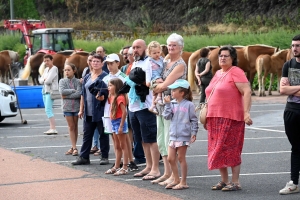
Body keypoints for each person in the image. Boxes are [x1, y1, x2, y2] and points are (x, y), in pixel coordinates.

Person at [205, 45, 252, 191]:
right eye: (220, 55)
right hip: (215, 117)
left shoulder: (236, 72)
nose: (222, 58)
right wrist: (207, 116)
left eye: (226, 56)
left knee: (231, 149)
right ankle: (224, 181)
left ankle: (235, 182)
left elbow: (247, 91)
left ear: (233, 58)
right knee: (218, 150)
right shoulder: (218, 73)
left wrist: (246, 113)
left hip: (231, 117)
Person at [151, 33, 187, 185]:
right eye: (169, 45)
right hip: (161, 105)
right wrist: (155, 86)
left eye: (174, 45)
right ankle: (166, 172)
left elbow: (165, 84)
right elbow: (154, 81)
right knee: (161, 140)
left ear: (180, 47)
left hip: (172, 105)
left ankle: (174, 175)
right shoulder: (164, 61)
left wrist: (155, 86)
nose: (171, 48)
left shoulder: (180, 65)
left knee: (169, 140)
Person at [128, 39, 161, 180]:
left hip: (146, 106)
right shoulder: (134, 63)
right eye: (134, 47)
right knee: (141, 139)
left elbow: (155, 82)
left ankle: (155, 168)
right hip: (133, 107)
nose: (135, 50)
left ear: (145, 48)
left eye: (138, 47)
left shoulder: (150, 62)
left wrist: (142, 82)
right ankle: (148, 166)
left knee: (151, 138)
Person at [71, 54, 110, 165]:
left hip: (100, 109)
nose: (95, 63)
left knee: (103, 134)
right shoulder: (87, 76)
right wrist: (81, 109)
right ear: (90, 63)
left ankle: (104, 156)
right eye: (93, 61)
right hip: (88, 110)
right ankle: (84, 157)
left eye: (98, 61)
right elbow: (83, 94)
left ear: (102, 64)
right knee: (87, 134)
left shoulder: (105, 76)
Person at [102, 53, 138, 171]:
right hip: (110, 113)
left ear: (118, 63)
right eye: (107, 64)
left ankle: (128, 162)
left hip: (119, 113)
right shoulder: (105, 78)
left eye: (111, 63)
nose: (109, 66)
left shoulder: (123, 77)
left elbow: (125, 96)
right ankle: (118, 162)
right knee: (116, 140)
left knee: (125, 139)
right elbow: (105, 95)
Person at [162, 79, 198, 190]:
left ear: (182, 93)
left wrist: (194, 132)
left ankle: (183, 182)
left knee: (181, 158)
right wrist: (167, 105)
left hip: (183, 135)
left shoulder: (189, 105)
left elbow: (194, 120)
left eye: (174, 91)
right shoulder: (171, 104)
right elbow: (166, 116)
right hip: (173, 135)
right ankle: (176, 179)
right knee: (170, 158)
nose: (171, 93)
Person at [279, 34, 300, 195]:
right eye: (293, 45)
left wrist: (291, 87)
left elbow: (288, 88)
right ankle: (294, 183)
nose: (295, 48)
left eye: (298, 45)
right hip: (291, 111)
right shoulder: (288, 64)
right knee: (296, 147)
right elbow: (282, 90)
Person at [105, 78, 129, 175]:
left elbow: (124, 113)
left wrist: (121, 126)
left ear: (117, 86)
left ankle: (125, 167)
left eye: (111, 85)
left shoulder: (120, 97)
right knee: (117, 146)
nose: (109, 87)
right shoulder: (111, 96)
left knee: (123, 146)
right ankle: (116, 165)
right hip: (113, 121)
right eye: (108, 85)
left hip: (119, 122)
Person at [59, 63, 81, 156]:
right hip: (67, 107)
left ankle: (73, 146)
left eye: (68, 70)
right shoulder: (62, 81)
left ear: (74, 71)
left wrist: (67, 95)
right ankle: (74, 147)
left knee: (75, 126)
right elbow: (62, 92)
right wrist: (73, 90)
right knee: (71, 126)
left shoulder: (78, 81)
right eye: (65, 70)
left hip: (76, 107)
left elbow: (79, 93)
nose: (66, 72)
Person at [39, 54, 59, 135]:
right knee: (47, 110)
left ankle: (53, 128)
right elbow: (40, 80)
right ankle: (51, 127)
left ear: (52, 60)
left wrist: (44, 79)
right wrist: (44, 79)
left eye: (48, 60)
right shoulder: (46, 69)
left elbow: (48, 81)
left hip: (50, 91)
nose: (46, 62)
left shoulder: (54, 68)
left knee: (48, 109)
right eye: (45, 61)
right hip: (45, 91)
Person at [147, 41, 164, 115]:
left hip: (160, 76)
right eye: (154, 53)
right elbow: (148, 71)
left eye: (158, 52)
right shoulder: (149, 61)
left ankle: (153, 105)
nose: (157, 54)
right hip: (154, 77)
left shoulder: (161, 59)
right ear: (150, 53)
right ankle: (159, 97)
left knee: (155, 92)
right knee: (160, 84)